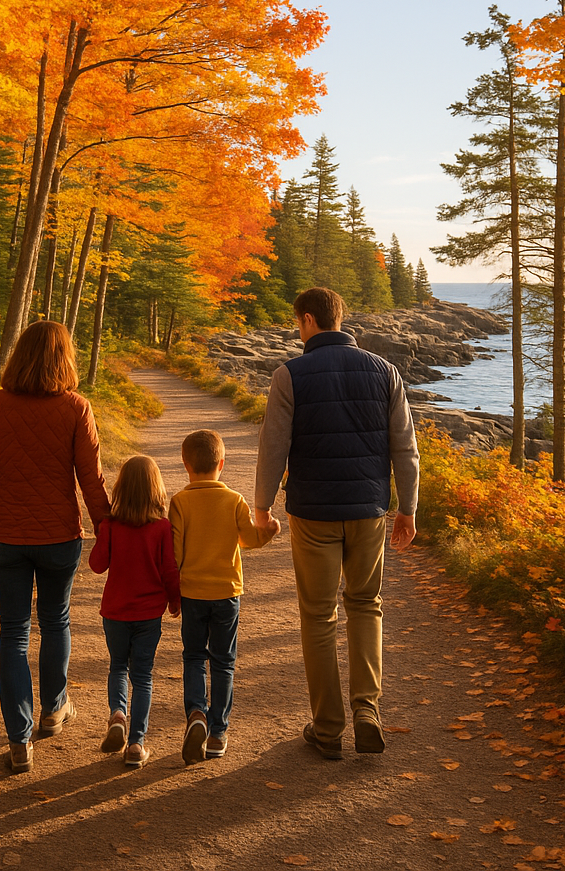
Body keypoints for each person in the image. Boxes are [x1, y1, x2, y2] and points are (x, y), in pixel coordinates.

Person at [254, 287, 419, 759]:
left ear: (308, 320)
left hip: (313, 512)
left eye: (297, 323)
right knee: (366, 604)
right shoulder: (384, 371)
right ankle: (368, 710)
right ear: (339, 320)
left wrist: (262, 506)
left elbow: (273, 446)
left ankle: (328, 727)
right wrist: (407, 508)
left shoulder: (289, 374)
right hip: (368, 510)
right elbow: (405, 448)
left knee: (319, 615)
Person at [0, 320, 111, 774]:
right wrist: (108, 530)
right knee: (56, 619)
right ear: (66, 359)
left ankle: (19, 739)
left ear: (19, 356)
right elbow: (91, 478)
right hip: (59, 536)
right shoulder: (76, 408)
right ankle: (53, 709)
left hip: (3, 536)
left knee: (13, 630)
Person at [169, 430, 280, 765]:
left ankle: (196, 715)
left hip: (192, 592)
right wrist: (268, 533)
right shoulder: (234, 500)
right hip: (227, 593)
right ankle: (218, 733)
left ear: (185, 463)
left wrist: (172, 595)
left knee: (193, 657)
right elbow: (247, 540)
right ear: (222, 463)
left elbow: (175, 555)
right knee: (223, 661)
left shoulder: (180, 502)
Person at [89, 454, 181, 769]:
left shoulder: (111, 525)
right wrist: (175, 600)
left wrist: (103, 531)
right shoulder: (162, 527)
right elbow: (170, 570)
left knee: (117, 666)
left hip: (115, 611)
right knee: (142, 675)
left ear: (121, 489)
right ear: (156, 489)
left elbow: (96, 565)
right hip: (148, 614)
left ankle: (117, 713)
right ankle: (136, 743)